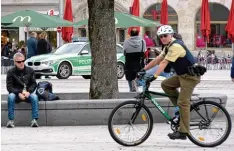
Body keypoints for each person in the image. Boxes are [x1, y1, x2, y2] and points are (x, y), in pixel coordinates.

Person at [143, 25, 201, 140]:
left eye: (165, 36)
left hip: (190, 77)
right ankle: (182, 109)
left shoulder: (176, 46)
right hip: (182, 75)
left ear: (171, 35)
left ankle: (183, 132)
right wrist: (143, 70)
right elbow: (157, 60)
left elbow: (164, 63)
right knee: (166, 84)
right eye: (161, 36)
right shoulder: (168, 46)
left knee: (183, 102)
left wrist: (154, 76)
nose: (163, 38)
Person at [6, 52, 39, 128]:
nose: (21, 63)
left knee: (34, 97)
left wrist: (29, 92)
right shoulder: (10, 72)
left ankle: (34, 120)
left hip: (28, 93)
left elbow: (34, 84)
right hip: (16, 94)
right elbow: (9, 87)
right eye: (19, 62)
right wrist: (19, 93)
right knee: (11, 96)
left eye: (23, 61)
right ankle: (11, 121)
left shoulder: (30, 70)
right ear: (14, 62)